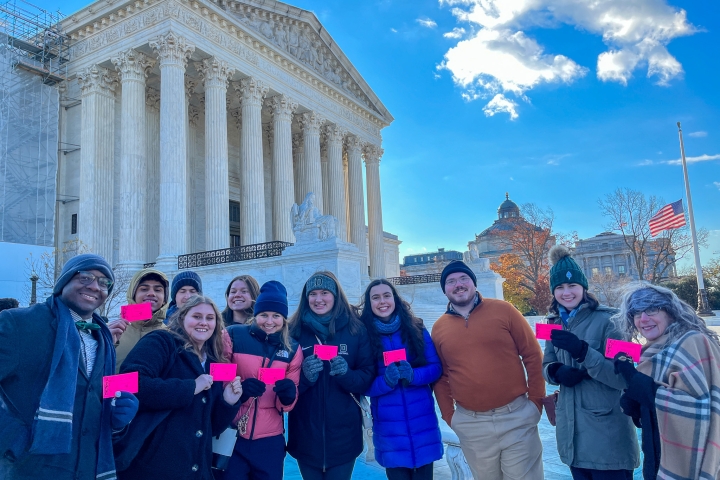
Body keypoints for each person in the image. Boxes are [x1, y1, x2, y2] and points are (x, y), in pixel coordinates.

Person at [0, 254, 138, 480]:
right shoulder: (19, 323)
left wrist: (117, 421)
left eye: (104, 283)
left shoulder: (104, 339)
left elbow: (97, 401)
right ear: (64, 281)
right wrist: (11, 438)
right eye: (86, 277)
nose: (95, 287)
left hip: (87, 468)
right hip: (29, 468)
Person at [431, 260, 545, 480]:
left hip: (516, 417)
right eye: (451, 281)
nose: (458, 284)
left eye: (463, 278)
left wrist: (536, 402)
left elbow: (532, 354)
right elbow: (441, 376)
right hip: (472, 425)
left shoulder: (504, 310)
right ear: (445, 290)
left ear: (473, 283)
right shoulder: (439, 328)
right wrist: (450, 416)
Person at [118, 294, 243, 479]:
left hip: (195, 469)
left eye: (210, 318)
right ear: (183, 317)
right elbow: (130, 384)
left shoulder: (213, 361)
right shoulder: (161, 341)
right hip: (153, 468)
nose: (204, 322)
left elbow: (211, 427)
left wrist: (227, 402)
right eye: (197, 316)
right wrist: (191, 386)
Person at [542, 246, 639, 480]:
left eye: (572, 285)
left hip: (607, 439)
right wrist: (555, 371)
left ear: (583, 287)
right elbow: (546, 364)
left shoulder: (614, 320)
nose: (567, 293)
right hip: (572, 439)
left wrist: (584, 352)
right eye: (560, 287)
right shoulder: (551, 322)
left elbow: (626, 377)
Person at [612, 283, 720, 480]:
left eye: (652, 310)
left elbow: (699, 409)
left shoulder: (694, 341)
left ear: (670, 312)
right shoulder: (653, 351)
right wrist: (634, 404)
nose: (643, 319)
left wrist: (636, 381)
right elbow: (652, 410)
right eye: (636, 313)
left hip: (689, 463)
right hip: (657, 458)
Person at [287, 271, 375, 480]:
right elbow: (284, 385)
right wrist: (305, 378)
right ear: (306, 298)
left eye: (325, 292)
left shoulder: (355, 329)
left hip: (344, 437)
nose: (318, 299)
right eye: (313, 294)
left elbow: (367, 377)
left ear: (335, 295)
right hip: (305, 435)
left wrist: (346, 374)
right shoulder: (293, 331)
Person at [359, 279, 443, 480]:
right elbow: (363, 383)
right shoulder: (363, 335)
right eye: (376, 297)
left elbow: (436, 368)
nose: (382, 302)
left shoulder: (416, 328)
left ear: (395, 298)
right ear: (369, 303)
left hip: (422, 422)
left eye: (387, 295)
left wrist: (414, 375)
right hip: (389, 429)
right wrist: (385, 381)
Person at [220, 281, 303, 480]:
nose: (269, 321)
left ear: (284, 318)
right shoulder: (232, 334)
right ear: (255, 315)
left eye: (276, 316)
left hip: (270, 439)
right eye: (264, 314)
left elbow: (287, 405)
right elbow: (220, 376)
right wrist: (240, 391)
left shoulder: (292, 348)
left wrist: (288, 396)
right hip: (234, 433)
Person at [109, 268, 170, 372]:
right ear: (133, 295)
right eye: (144, 289)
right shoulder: (111, 330)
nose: (151, 293)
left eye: (158, 290)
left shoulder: (171, 336)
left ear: (164, 299)